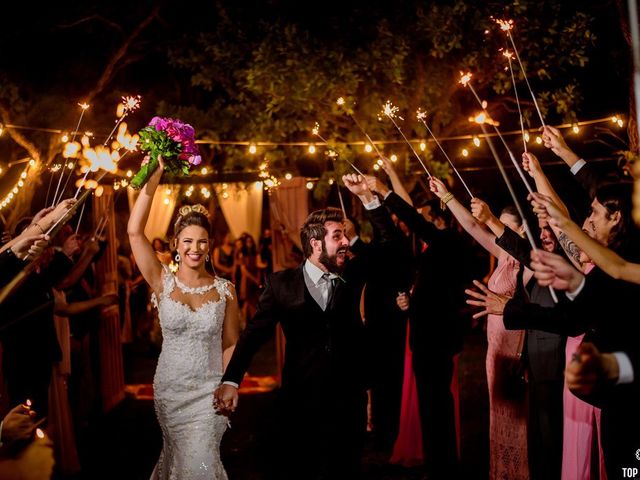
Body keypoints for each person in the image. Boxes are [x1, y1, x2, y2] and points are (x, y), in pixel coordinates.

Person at [214, 174, 396, 479]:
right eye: (337, 236)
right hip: (301, 399)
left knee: (346, 469)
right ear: (315, 243)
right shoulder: (281, 284)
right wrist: (232, 379)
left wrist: (369, 198)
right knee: (303, 468)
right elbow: (253, 335)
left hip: (348, 397)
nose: (344, 242)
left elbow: (389, 244)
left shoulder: (353, 271)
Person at [128, 155, 241, 479]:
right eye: (188, 241)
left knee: (199, 462)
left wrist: (231, 384)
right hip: (170, 391)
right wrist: (155, 173)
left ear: (210, 245)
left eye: (202, 241)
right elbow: (135, 232)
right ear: (176, 244)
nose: (195, 247)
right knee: (178, 460)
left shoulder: (224, 291)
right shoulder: (161, 281)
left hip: (210, 392)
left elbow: (231, 342)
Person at [429, 177, 530, 480]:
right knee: (498, 420)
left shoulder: (527, 264)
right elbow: (474, 228)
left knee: (520, 422)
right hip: (495, 351)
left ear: (523, 230)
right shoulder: (503, 255)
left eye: (506, 226)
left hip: (516, 353)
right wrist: (447, 196)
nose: (499, 232)